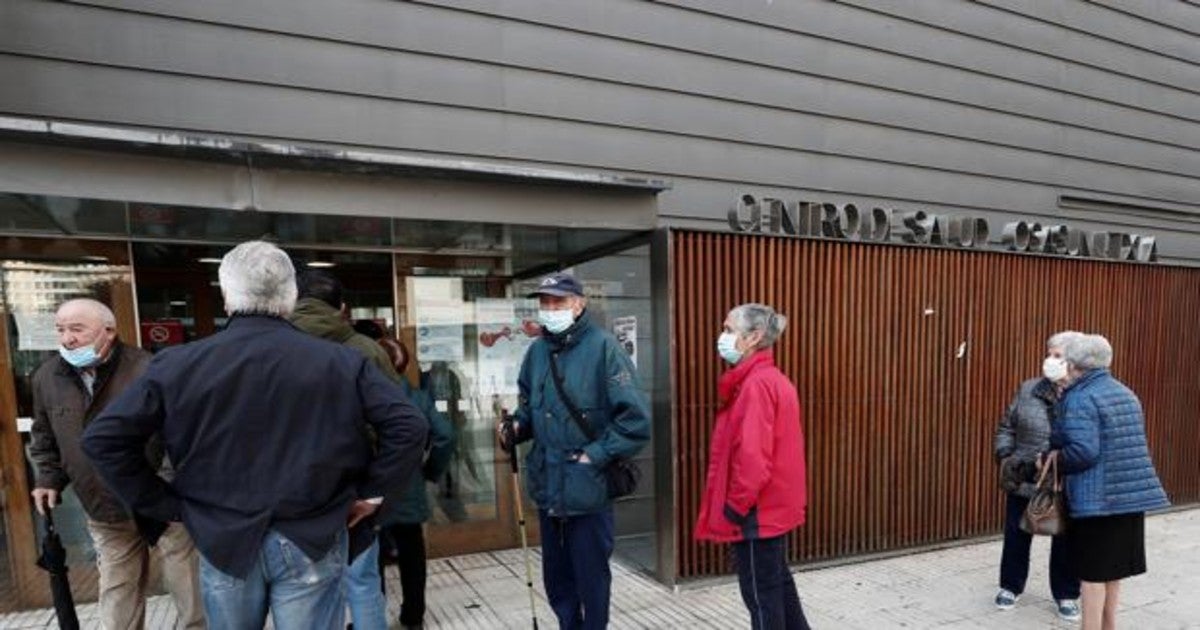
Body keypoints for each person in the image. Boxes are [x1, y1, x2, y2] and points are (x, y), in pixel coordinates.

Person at [80, 240, 430, 630]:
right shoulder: (341, 361)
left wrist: (165, 504)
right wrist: (372, 494)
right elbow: (410, 425)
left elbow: (103, 439)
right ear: (290, 297)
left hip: (223, 535)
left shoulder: (178, 364)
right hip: (310, 534)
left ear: (226, 296)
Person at [29, 298, 204, 630]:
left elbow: (178, 433)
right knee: (117, 595)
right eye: (60, 329)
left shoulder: (148, 368)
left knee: (189, 590)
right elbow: (44, 436)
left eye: (77, 329)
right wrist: (47, 478)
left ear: (108, 331)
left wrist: (167, 487)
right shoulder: (47, 377)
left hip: (163, 502)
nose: (67, 339)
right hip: (104, 506)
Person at [497, 271, 651, 630]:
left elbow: (635, 420)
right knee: (557, 578)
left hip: (588, 486)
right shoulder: (536, 353)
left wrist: (593, 455)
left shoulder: (604, 348)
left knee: (591, 578)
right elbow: (528, 410)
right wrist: (516, 427)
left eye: (559, 302)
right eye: (545, 302)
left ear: (579, 304)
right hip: (549, 485)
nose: (551, 309)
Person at [290, 270, 405, 630]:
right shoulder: (366, 350)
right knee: (362, 580)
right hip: (355, 488)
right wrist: (376, 490)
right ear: (342, 308)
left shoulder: (275, 346)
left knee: (302, 589)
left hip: (291, 489)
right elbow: (399, 423)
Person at [694, 303, 810, 630]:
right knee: (777, 587)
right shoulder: (770, 379)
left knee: (761, 598)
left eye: (730, 330)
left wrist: (734, 507)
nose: (723, 336)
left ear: (754, 337)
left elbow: (753, 460)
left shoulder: (756, 385)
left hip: (758, 511)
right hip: (771, 507)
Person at [1047, 333, 1169, 630]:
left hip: (1096, 500)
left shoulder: (1080, 396)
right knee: (1112, 573)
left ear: (1075, 364)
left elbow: (1083, 452)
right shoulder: (1125, 392)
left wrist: (1049, 459)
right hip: (1128, 498)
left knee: (1091, 578)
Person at [992, 331, 1083, 620]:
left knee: (1067, 540)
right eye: (1049, 353)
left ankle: (1067, 594)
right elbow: (1007, 426)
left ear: (1073, 362)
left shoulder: (1083, 394)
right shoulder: (1029, 388)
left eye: (1058, 356)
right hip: (1024, 476)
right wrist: (1006, 457)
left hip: (1065, 479)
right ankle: (1010, 586)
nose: (1050, 360)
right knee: (1017, 534)